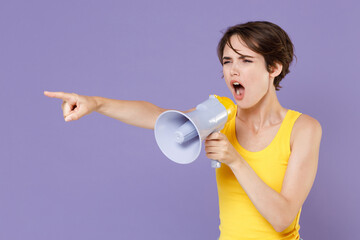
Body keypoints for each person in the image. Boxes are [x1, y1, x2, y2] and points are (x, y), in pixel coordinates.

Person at [44, 21, 322, 240]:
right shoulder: (222, 112)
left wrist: (235, 160)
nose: (233, 72)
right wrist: (96, 103)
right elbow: (158, 117)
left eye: (246, 60)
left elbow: (282, 217)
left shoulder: (303, 129)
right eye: (227, 61)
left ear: (273, 67)